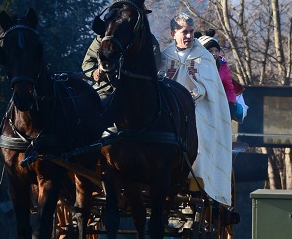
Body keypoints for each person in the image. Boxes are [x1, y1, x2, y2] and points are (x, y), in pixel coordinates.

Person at [160, 14, 232, 206]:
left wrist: (196, 91)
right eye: (184, 32)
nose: (189, 36)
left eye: (191, 32)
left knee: (197, 123)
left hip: (198, 106)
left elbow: (210, 87)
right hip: (169, 107)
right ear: (173, 33)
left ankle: (196, 175)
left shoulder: (204, 57)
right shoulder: (165, 55)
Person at [82, 32, 162, 97]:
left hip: (139, 91)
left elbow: (154, 64)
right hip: (105, 89)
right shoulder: (102, 37)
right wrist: (94, 72)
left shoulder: (147, 39)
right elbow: (87, 62)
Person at [197, 29, 245, 123]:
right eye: (210, 51)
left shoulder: (223, 67)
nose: (214, 53)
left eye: (216, 50)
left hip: (219, 104)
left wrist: (231, 103)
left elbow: (229, 88)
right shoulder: (195, 66)